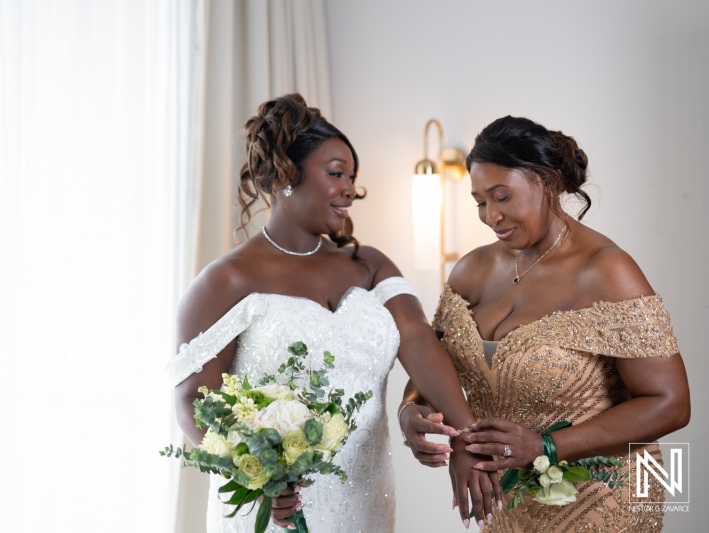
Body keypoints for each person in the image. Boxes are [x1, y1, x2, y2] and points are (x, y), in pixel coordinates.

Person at [169, 94, 499, 532]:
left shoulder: (370, 266)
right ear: (287, 174)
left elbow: (420, 341)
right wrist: (255, 476)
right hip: (274, 509)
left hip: (365, 500)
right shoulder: (227, 280)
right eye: (337, 173)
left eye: (353, 177)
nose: (351, 189)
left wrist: (466, 440)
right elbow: (192, 400)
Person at [399, 115, 690, 532]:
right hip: (507, 504)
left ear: (548, 182)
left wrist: (547, 446)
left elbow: (671, 404)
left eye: (502, 197)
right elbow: (432, 364)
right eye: (480, 202)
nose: (491, 216)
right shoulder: (471, 271)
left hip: (602, 498)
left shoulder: (607, 270)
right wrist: (414, 410)